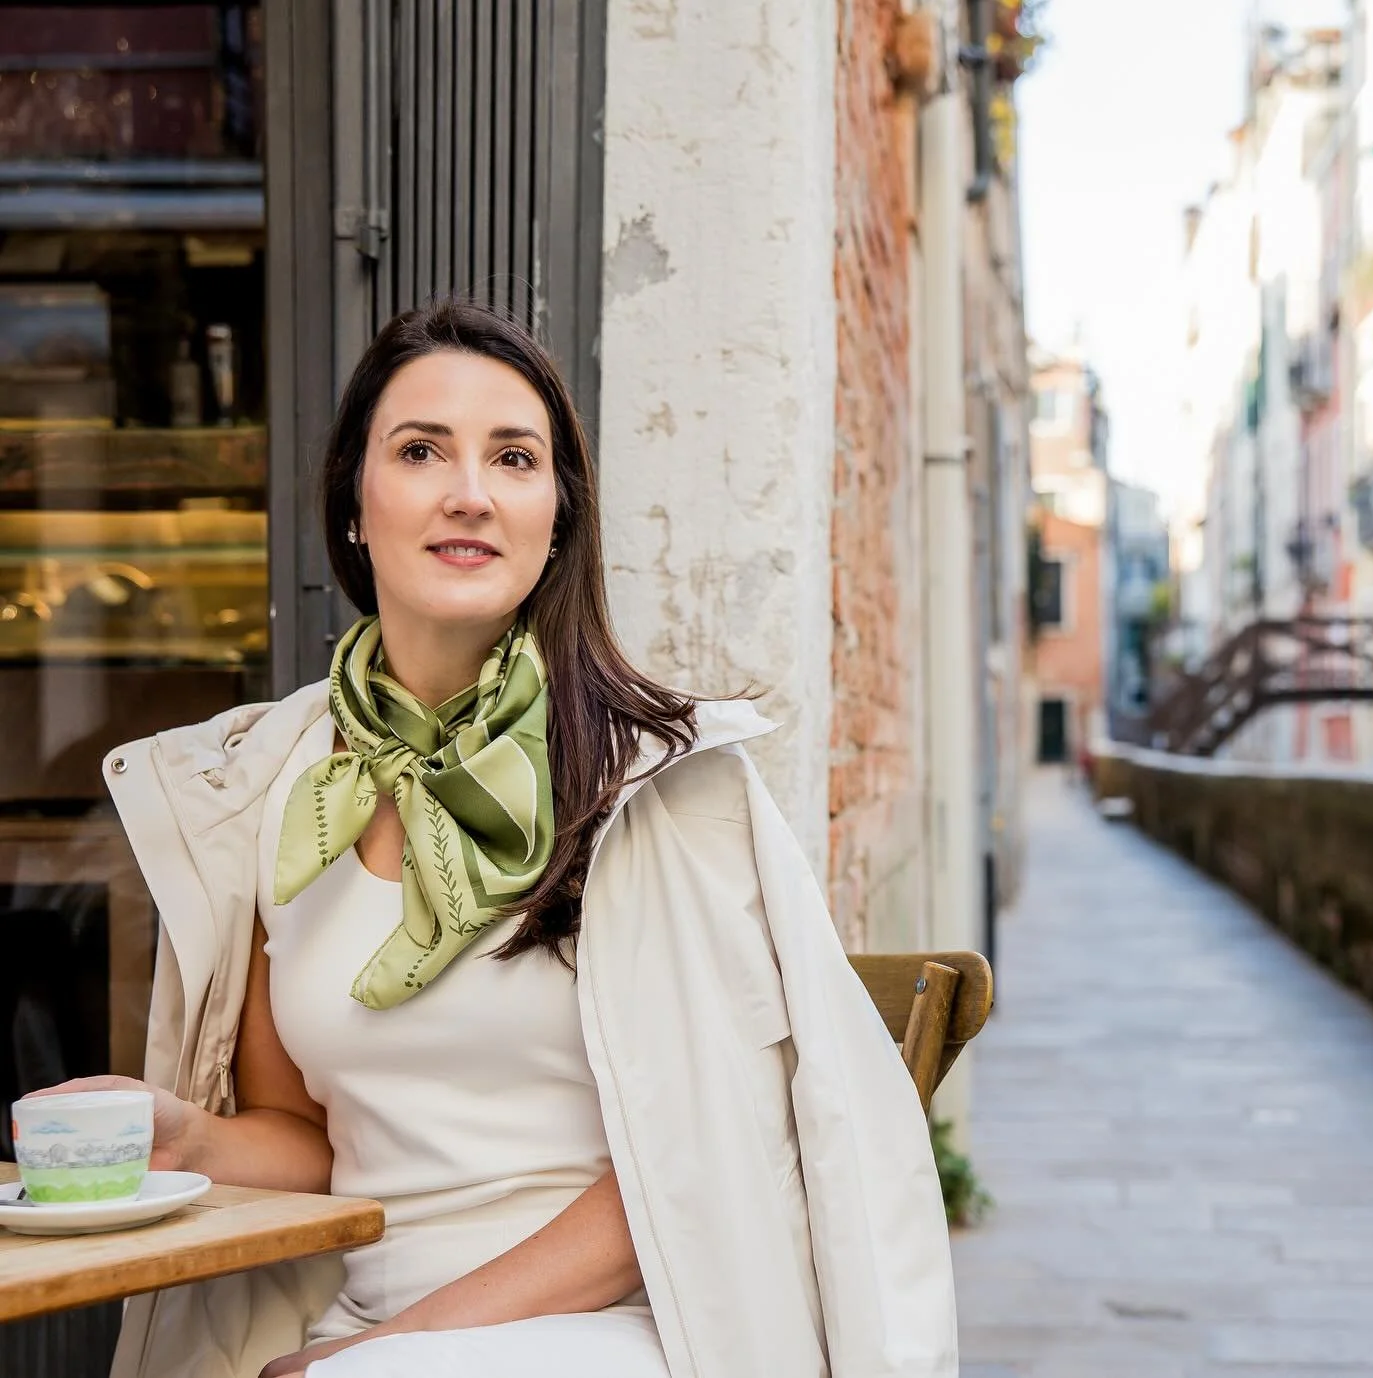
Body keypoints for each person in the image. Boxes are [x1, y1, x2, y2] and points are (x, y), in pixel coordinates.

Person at [30, 301, 957, 1378]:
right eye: (421, 450)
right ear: (355, 505)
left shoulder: (662, 789)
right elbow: (306, 1134)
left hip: (623, 1325)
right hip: (355, 1330)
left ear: (556, 516)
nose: (468, 491)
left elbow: (695, 1158)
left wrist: (398, 1347)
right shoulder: (280, 794)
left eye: (514, 458)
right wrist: (180, 1134)